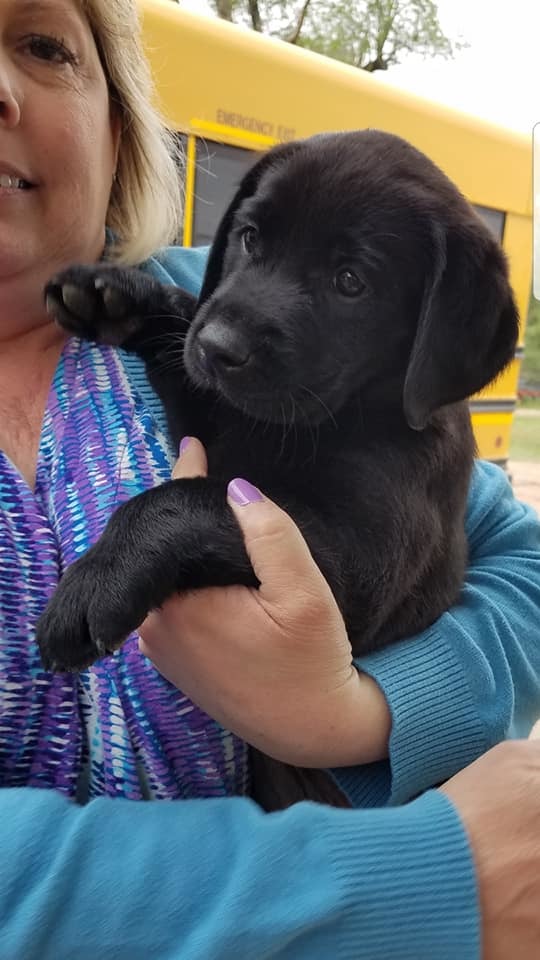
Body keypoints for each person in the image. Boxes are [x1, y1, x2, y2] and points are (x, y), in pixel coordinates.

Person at [0, 0, 539, 957]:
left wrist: (359, 711)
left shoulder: (391, 434)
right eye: (249, 243)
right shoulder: (206, 319)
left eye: (42, 46)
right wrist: (407, 884)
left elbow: (522, 573)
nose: (233, 319)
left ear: (120, 125)